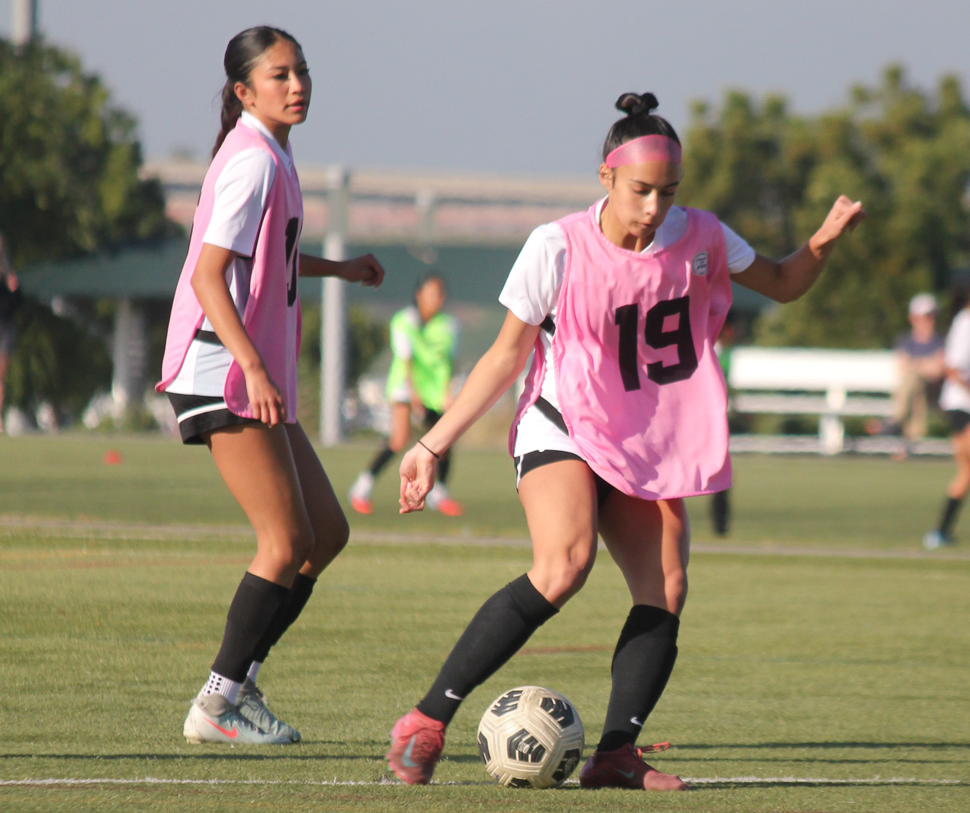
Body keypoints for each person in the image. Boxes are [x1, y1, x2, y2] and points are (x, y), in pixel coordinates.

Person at [386, 92, 865, 790]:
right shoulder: (557, 245)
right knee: (564, 565)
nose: (654, 207)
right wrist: (430, 445)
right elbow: (503, 356)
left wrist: (822, 239)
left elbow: (786, 283)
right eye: (641, 190)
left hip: (648, 438)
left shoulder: (701, 236)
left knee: (666, 585)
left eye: (668, 192)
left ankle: (615, 755)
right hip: (565, 422)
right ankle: (425, 722)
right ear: (606, 177)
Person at [156, 26, 385, 745]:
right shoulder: (254, 161)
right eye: (280, 74)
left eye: (303, 71)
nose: (298, 84)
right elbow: (206, 275)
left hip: (246, 367)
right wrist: (251, 366)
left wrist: (339, 270)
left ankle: (239, 683)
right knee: (283, 542)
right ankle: (216, 704)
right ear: (243, 90)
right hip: (219, 367)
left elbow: (269, 261)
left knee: (325, 533)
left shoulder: (271, 155)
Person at [348, 273, 463, 516]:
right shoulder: (404, 321)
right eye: (432, 293)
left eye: (441, 294)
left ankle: (439, 492)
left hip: (434, 392)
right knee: (399, 439)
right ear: (419, 295)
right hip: (405, 387)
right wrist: (414, 396)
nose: (438, 299)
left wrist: (446, 393)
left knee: (445, 442)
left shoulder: (449, 326)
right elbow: (406, 360)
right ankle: (361, 488)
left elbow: (448, 364)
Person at [923, 289, 970, 549]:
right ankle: (939, 532)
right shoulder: (966, 322)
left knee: (966, 472)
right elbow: (952, 368)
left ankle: (940, 532)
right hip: (962, 405)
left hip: (960, 404)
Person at [0, 233, 22, 434]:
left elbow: (16, 304)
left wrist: (14, 289)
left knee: (0, 375)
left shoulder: (9, 276)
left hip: (4, 327)